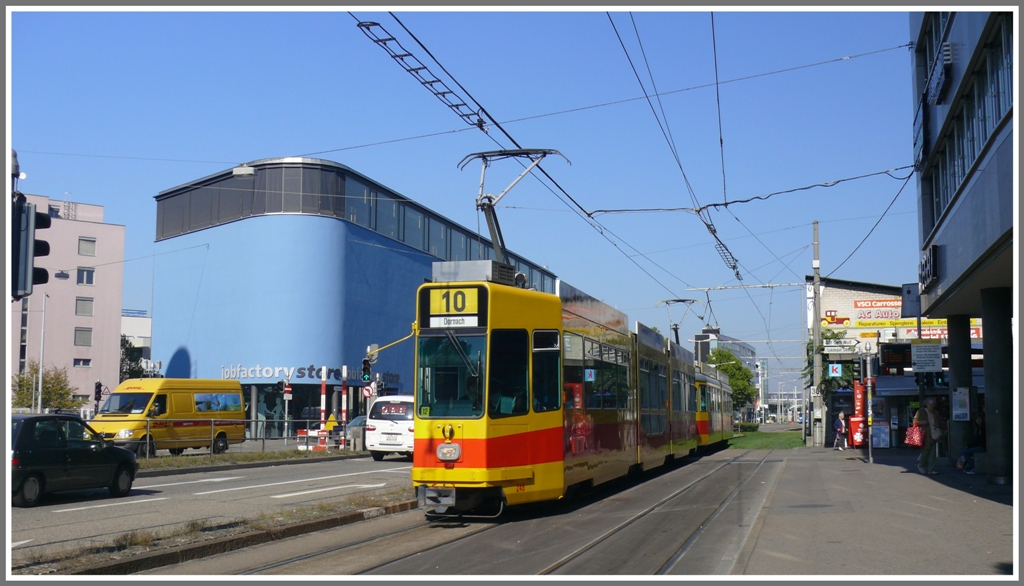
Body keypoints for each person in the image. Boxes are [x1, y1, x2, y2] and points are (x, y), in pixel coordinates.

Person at [914, 397, 945, 475]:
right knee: (925, 452)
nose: (932, 406)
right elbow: (914, 421)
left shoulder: (936, 413)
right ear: (926, 404)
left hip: (933, 434)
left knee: (933, 454)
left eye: (933, 404)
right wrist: (920, 422)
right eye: (930, 404)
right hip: (925, 434)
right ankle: (920, 465)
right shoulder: (921, 411)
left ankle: (931, 470)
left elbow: (938, 423)